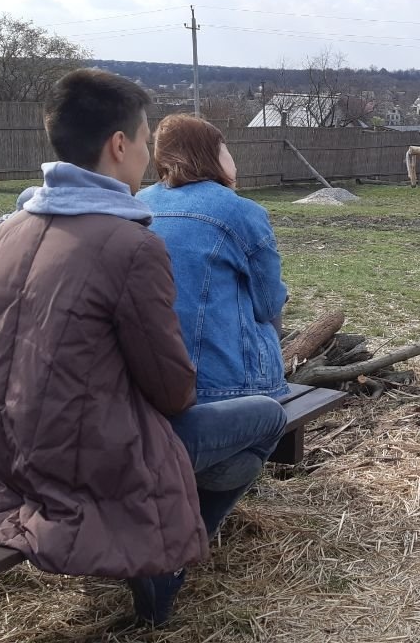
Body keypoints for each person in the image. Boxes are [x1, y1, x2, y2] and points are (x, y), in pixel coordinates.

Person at [0, 68, 207, 627]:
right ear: (120, 145)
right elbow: (171, 390)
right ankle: (164, 572)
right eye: (145, 141)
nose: (148, 156)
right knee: (261, 419)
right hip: (80, 460)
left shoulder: (12, 228)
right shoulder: (132, 244)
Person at [136, 114, 290, 539]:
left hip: (144, 385)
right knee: (262, 430)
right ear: (212, 154)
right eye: (226, 148)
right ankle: (191, 535)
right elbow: (268, 302)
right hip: (217, 389)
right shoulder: (240, 212)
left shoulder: (137, 205)